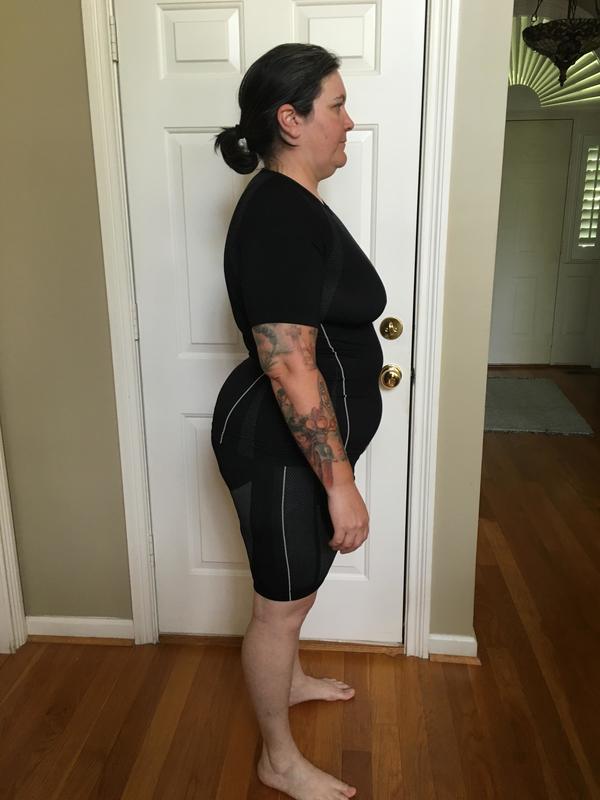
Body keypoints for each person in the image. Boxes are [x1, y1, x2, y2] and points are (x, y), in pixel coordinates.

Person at [211, 42, 387, 800]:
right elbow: (288, 365)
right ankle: (277, 760)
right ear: (291, 119)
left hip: (296, 445)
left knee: (298, 590)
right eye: (337, 106)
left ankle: (291, 680)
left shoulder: (294, 204)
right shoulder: (280, 214)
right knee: (278, 607)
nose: (349, 121)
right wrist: (340, 484)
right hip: (276, 445)